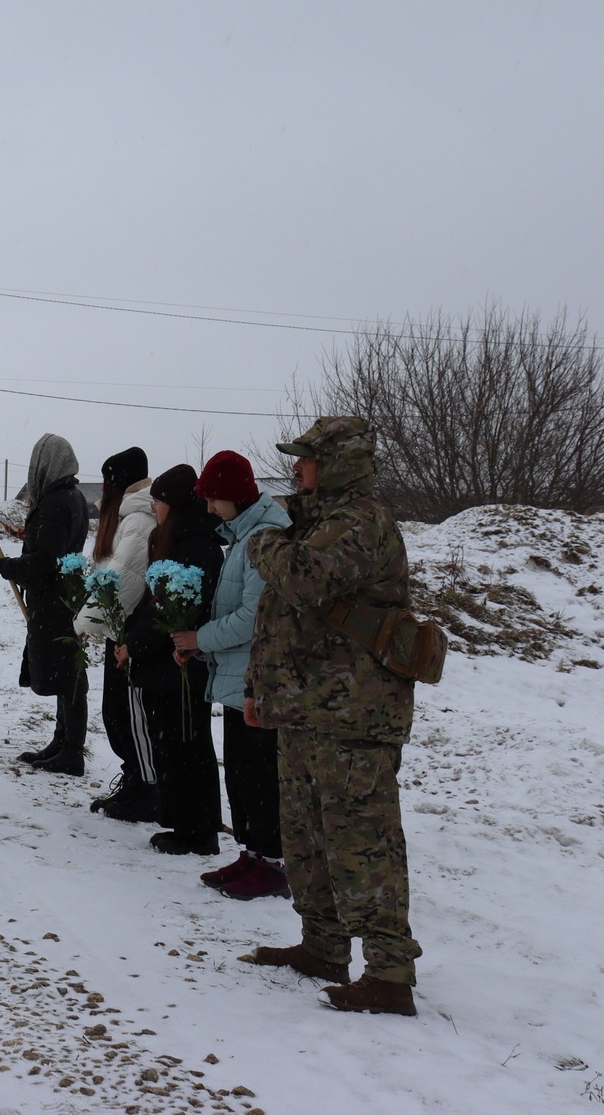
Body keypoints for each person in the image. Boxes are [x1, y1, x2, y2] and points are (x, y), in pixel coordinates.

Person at [241, 417, 420, 1016]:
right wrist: (259, 686)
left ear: (338, 464)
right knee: (307, 837)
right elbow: (279, 619)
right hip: (307, 709)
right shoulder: (315, 523)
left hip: (354, 716)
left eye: (307, 458)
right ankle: (322, 945)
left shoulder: (360, 522)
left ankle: (389, 974)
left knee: (362, 842)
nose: (296, 468)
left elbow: (302, 580)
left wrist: (264, 542)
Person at [175, 450, 294, 900]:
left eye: (213, 499)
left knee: (261, 777)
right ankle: (251, 854)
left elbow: (253, 617)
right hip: (236, 676)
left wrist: (200, 639)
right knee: (242, 777)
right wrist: (201, 648)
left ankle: (272, 863)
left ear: (235, 495)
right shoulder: (243, 535)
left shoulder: (264, 537)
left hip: (259, 679)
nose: (208, 508)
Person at [118, 465, 225, 856]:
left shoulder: (195, 545)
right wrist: (132, 636)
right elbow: (156, 602)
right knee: (176, 744)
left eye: (158, 501)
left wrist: (135, 645)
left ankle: (196, 831)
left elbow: (169, 608)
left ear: (174, 504)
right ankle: (185, 824)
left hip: (181, 663)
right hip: (170, 662)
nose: (154, 508)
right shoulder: (181, 539)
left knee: (186, 746)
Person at [0, 433, 89, 776]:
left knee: (69, 676)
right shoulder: (74, 496)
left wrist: (10, 567)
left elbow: (46, 560)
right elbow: (58, 548)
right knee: (68, 672)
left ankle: (71, 751)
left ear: (45, 465)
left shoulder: (53, 502)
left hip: (53, 600)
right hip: (66, 595)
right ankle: (63, 743)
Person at [75, 447, 158, 822]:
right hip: (119, 630)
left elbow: (122, 580)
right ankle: (135, 782)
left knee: (126, 715)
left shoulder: (139, 520)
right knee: (115, 713)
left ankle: (145, 789)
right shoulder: (129, 516)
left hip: (129, 634)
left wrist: (82, 623)